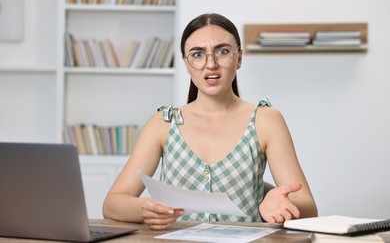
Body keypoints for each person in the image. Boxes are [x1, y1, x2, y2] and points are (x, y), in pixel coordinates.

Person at [103, 13, 318, 230]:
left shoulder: (266, 120)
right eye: (198, 54)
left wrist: (280, 203)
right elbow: (113, 203)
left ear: (239, 58)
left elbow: (308, 206)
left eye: (222, 51)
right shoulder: (163, 123)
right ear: (187, 64)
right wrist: (144, 208)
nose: (211, 64)